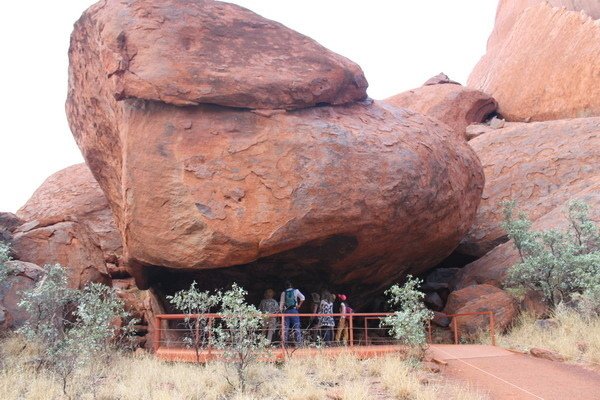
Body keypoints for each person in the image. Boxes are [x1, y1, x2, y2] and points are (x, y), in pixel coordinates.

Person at [279, 281, 305, 345]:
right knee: (296, 327)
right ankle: (298, 343)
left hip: (286, 311)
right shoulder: (296, 291)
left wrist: (281, 312)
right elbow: (303, 298)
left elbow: (281, 304)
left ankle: (285, 344)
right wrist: (299, 305)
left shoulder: (283, 293)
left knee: (286, 328)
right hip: (294, 311)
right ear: (292, 286)